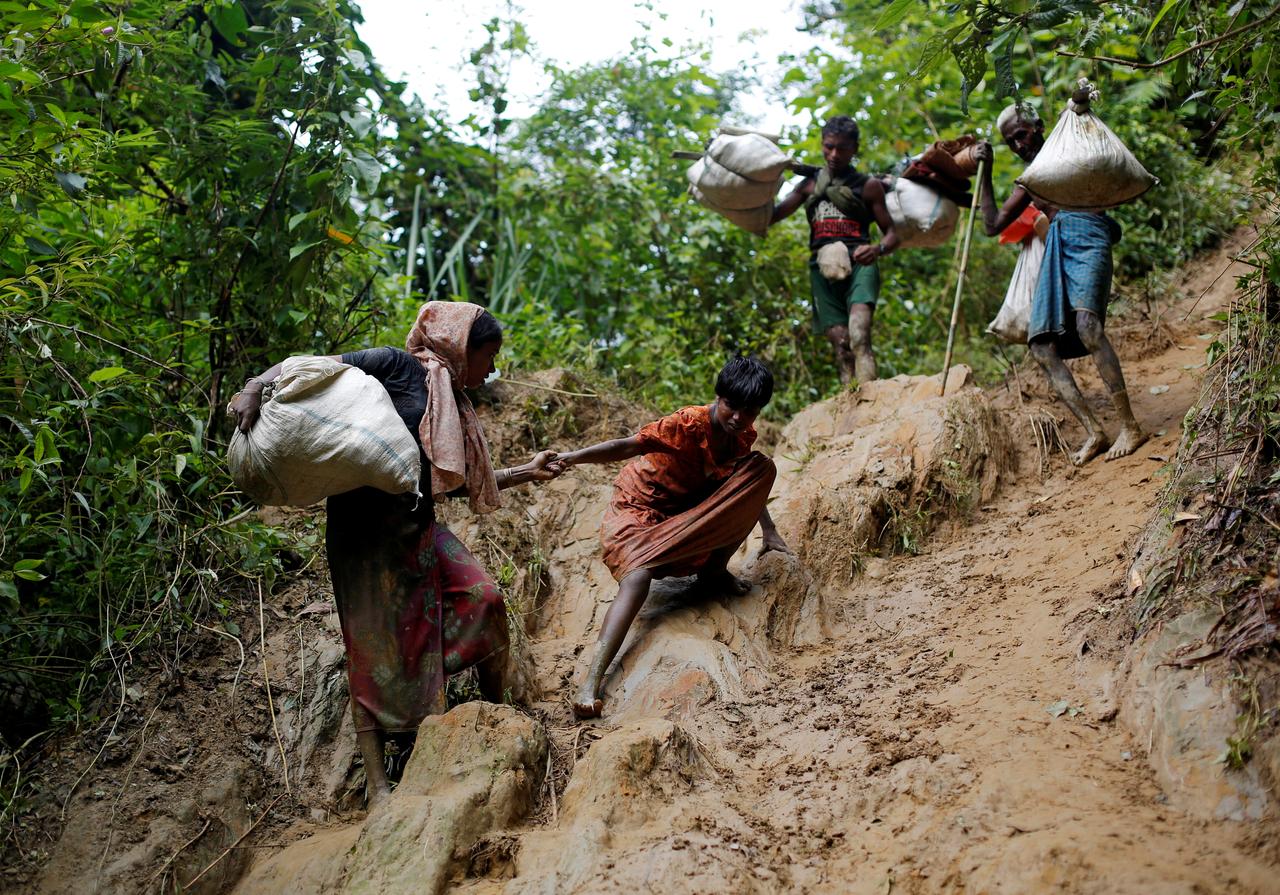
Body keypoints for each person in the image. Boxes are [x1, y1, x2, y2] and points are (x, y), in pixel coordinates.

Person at [229, 301, 563, 807]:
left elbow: (449, 482)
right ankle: (379, 785)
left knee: (485, 599)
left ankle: (496, 714)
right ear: (460, 347)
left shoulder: (455, 404)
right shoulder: (394, 366)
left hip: (418, 528)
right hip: (362, 536)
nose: (492, 369)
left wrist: (527, 472)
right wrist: (254, 386)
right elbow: (312, 365)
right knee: (373, 650)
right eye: (489, 355)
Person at [550, 356, 789, 719]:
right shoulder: (687, 423)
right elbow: (627, 446)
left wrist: (769, 531)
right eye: (731, 406)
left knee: (761, 468)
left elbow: (743, 491)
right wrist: (571, 458)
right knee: (638, 578)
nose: (739, 418)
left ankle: (714, 570)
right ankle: (591, 681)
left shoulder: (742, 437)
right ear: (718, 396)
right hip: (641, 509)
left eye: (750, 410)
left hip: (687, 513)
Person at [974, 101, 1147, 465]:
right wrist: (985, 170)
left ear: (1038, 127)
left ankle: (1130, 426)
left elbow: (1088, 128)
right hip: (1055, 243)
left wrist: (1079, 103)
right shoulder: (1033, 179)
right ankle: (1094, 432)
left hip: (1087, 232)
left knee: (1087, 326)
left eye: (1021, 135)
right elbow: (992, 226)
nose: (1019, 145)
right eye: (1011, 142)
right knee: (1041, 346)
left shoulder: (1065, 147)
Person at [771, 116, 900, 385]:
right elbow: (773, 215)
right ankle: (849, 398)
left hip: (860, 264)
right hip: (821, 269)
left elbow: (893, 233)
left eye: (841, 148)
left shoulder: (868, 186)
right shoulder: (809, 185)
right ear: (822, 144)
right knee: (842, 345)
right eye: (828, 146)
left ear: (854, 148)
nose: (833, 154)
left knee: (859, 334)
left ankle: (870, 396)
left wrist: (877, 249)